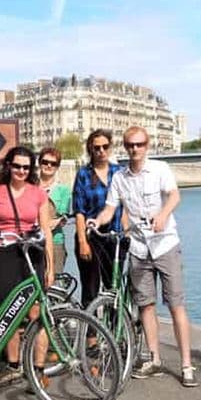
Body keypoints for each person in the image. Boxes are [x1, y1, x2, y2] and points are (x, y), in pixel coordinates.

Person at [88, 126, 198, 387]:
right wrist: (97, 221)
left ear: (147, 145)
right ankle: (154, 358)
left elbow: (174, 195)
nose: (134, 149)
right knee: (146, 305)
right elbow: (110, 207)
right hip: (138, 247)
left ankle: (186, 364)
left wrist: (162, 216)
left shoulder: (159, 169)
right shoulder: (120, 178)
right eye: (130, 145)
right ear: (124, 147)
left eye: (139, 144)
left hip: (165, 244)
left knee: (175, 305)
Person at [0, 146, 54, 385]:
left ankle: (37, 369)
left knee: (36, 312)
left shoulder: (38, 193)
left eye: (26, 167)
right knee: (7, 311)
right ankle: (13, 365)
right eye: (17, 165)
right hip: (4, 254)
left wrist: (50, 266)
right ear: (8, 166)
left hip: (32, 253)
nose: (21, 170)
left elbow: (46, 230)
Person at [72, 129, 125, 309]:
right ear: (90, 150)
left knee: (114, 289)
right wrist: (82, 242)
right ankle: (91, 335)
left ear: (110, 148)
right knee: (91, 289)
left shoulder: (119, 173)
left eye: (105, 147)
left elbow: (125, 206)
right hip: (91, 236)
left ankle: (115, 333)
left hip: (114, 237)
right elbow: (79, 211)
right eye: (96, 148)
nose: (101, 151)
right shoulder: (83, 174)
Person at [37, 147, 71, 273]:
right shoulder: (29, 187)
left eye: (53, 163)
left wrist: (40, 223)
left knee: (54, 283)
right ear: (39, 163)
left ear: (57, 167)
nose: (49, 166)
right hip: (31, 241)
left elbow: (60, 219)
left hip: (55, 241)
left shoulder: (64, 191)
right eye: (45, 162)